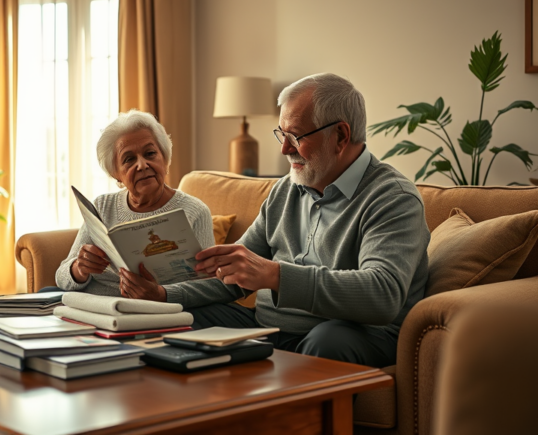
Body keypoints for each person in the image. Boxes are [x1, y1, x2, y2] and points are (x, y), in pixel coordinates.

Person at [122, 73, 430, 368]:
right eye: (282, 134)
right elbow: (233, 273)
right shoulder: (287, 189)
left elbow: (383, 293)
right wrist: (164, 296)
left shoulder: (393, 197)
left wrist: (276, 275)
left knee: (328, 340)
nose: (284, 149)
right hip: (269, 328)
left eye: (295, 136)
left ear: (340, 135)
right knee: (176, 322)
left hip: (355, 333)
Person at [55, 109, 215, 296]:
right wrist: (79, 269)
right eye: (129, 159)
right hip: (91, 304)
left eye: (150, 154)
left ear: (165, 160)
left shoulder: (195, 211)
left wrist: (160, 292)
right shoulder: (103, 206)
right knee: (42, 296)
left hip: (149, 311)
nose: (142, 165)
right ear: (116, 174)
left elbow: (207, 286)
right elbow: (61, 277)